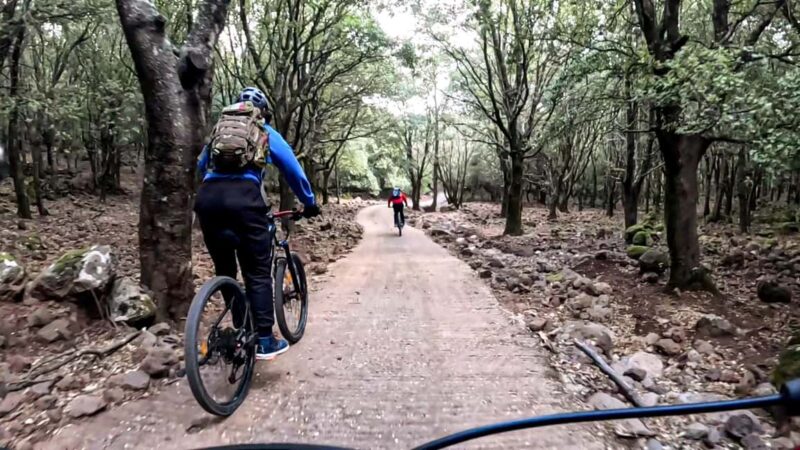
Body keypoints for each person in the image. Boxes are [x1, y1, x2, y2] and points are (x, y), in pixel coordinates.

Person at [195, 87, 320, 360]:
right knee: (257, 273)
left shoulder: (219, 132)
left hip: (208, 202)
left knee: (225, 270)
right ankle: (263, 340)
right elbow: (293, 171)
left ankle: (241, 331)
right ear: (262, 111)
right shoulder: (265, 131)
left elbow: (200, 166)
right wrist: (309, 203)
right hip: (246, 202)